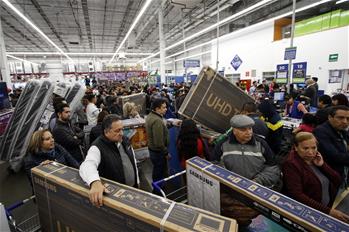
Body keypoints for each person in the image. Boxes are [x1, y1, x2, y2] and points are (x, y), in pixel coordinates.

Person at [213, 114, 281, 226]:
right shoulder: (222, 144)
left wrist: (258, 181)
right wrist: (228, 179)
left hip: (255, 196)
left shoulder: (261, 144)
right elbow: (214, 165)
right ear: (234, 130)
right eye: (243, 129)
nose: (249, 132)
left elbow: (273, 168)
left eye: (250, 128)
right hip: (231, 198)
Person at [282, 132, 349, 223]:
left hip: (325, 207)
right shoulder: (291, 164)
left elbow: (337, 180)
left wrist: (322, 165)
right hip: (310, 213)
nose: (310, 152)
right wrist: (328, 211)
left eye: (314, 148)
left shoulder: (315, 158)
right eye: (305, 148)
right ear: (296, 147)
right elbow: (297, 195)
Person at [79, 114, 139, 207]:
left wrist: (137, 181)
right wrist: (94, 182)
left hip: (133, 191)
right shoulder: (97, 147)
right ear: (106, 132)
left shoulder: (125, 140)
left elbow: (133, 161)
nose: (122, 133)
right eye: (117, 130)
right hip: (116, 197)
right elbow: (87, 165)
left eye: (122, 129)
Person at [313, 105, 349, 188]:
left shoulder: (342, 130)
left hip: (342, 175)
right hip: (329, 178)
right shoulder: (321, 131)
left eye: (348, 119)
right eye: (340, 118)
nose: (345, 122)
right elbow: (335, 157)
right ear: (330, 117)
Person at [145, 98, 170, 194]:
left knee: (156, 170)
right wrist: (166, 152)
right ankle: (158, 191)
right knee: (159, 172)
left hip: (153, 150)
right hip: (158, 152)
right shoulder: (157, 121)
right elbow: (159, 142)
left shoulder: (150, 116)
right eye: (163, 107)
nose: (166, 109)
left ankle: (157, 188)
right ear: (157, 109)